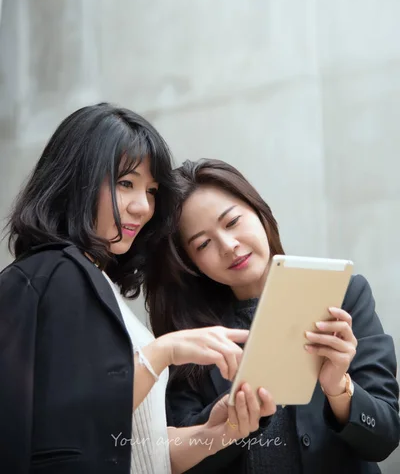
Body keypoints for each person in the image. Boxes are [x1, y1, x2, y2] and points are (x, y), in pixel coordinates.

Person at [0, 105, 276, 474]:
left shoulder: (94, 280)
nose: (143, 206)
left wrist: (218, 432)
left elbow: (143, 452)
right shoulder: (56, 272)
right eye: (125, 183)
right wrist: (163, 352)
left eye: (151, 190)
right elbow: (71, 421)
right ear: (75, 178)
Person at [146, 158, 400, 474]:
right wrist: (230, 420)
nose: (228, 246)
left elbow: (385, 438)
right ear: (191, 263)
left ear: (258, 211)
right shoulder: (188, 338)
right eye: (203, 243)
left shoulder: (342, 295)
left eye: (232, 222)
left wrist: (338, 388)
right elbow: (180, 460)